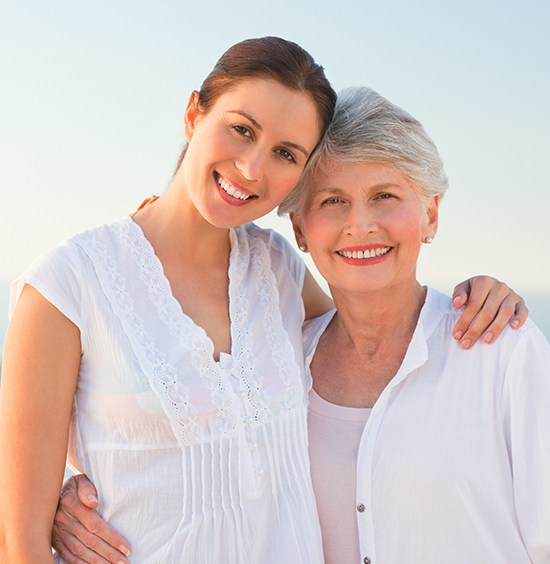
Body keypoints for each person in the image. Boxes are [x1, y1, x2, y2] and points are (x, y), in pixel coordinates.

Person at [0, 33, 527, 563]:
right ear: (192, 115)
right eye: (240, 129)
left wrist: (482, 295)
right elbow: (18, 540)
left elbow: (374, 332)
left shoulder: (276, 270)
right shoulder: (68, 286)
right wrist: (59, 505)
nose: (252, 168)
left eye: (285, 153)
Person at [282, 86, 549, 563]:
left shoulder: (504, 350)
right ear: (300, 229)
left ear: (430, 214)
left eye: (385, 195)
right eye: (332, 201)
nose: (360, 225)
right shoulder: (279, 369)